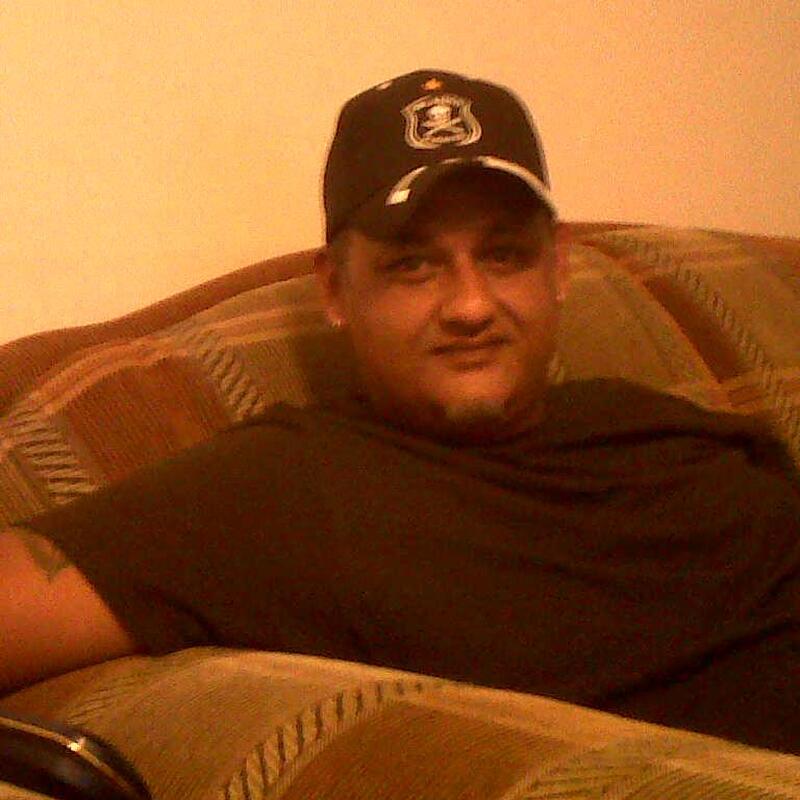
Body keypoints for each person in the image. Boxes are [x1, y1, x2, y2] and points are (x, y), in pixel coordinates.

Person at [1, 70, 798, 755]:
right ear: (334, 290)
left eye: (504, 255)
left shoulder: (653, 423)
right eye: (414, 264)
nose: (471, 305)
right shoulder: (288, 485)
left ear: (558, 267)